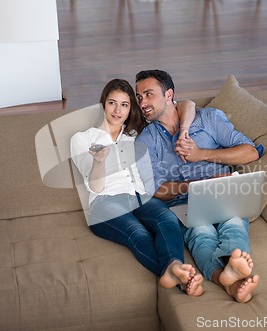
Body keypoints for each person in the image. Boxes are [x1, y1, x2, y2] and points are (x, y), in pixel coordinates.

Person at [134, 70, 264, 303]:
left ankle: (228, 278)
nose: (142, 102)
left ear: (168, 94)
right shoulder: (145, 141)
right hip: (184, 201)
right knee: (201, 232)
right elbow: (157, 190)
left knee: (233, 224)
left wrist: (201, 154)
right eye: (139, 97)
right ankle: (231, 281)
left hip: (224, 191)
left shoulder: (209, 119)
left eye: (148, 94)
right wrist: (193, 186)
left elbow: (250, 152)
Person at [70, 78, 204, 296]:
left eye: (124, 104)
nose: (117, 110)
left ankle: (174, 269)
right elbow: (95, 187)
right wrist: (99, 161)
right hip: (105, 203)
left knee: (168, 219)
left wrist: (185, 127)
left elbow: (185, 104)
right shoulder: (83, 139)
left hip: (141, 198)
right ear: (103, 103)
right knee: (138, 233)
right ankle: (180, 278)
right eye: (112, 103)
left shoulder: (137, 135)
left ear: (130, 108)